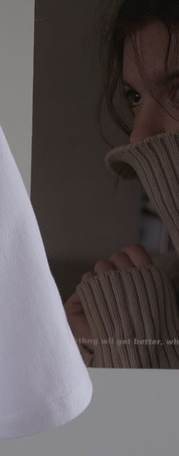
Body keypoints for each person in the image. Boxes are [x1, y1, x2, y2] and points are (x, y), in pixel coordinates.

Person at [64, 0, 179, 368]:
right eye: (135, 97)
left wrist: (141, 354)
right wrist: (101, 354)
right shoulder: (156, 285)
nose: (138, 135)